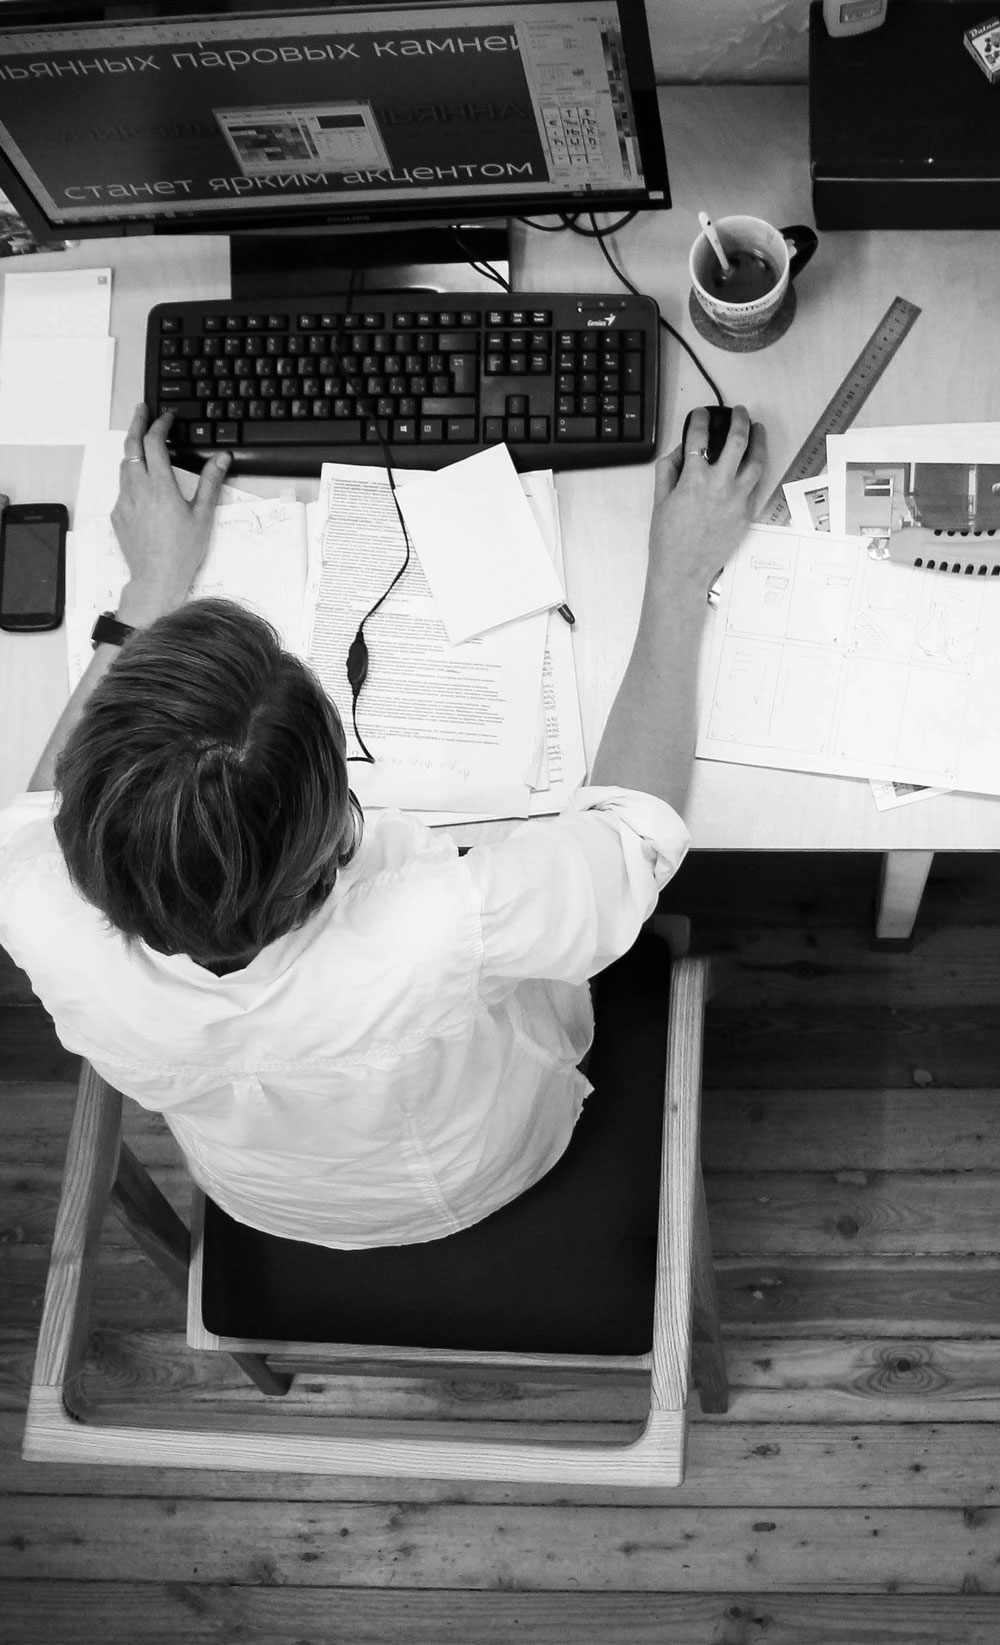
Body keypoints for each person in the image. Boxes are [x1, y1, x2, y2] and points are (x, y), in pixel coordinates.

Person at [0, 403, 765, 1248]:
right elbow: (632, 837)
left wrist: (147, 590)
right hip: (482, 1166)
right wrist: (679, 575)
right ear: (335, 829)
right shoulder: (435, 926)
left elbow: (31, 814)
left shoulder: (36, 913)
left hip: (260, 1193)